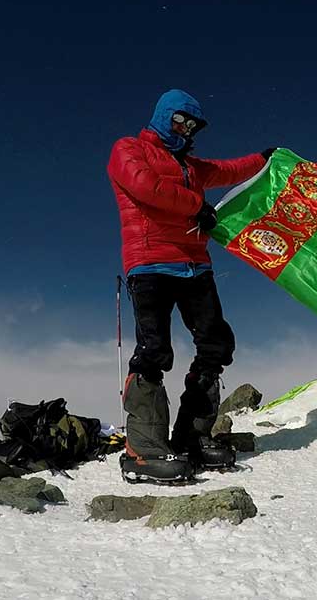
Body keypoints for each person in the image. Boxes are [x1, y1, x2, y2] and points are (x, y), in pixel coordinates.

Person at [107, 89, 271, 483]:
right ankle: (142, 449)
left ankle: (191, 437)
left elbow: (230, 169)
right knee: (155, 349)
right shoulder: (129, 149)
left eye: (192, 125)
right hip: (149, 263)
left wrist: (266, 159)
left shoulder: (193, 166)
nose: (185, 129)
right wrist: (195, 206)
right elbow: (144, 186)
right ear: (163, 115)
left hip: (195, 266)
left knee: (216, 344)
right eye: (179, 120)